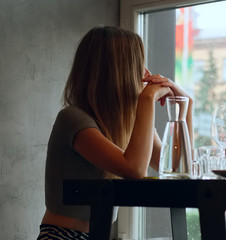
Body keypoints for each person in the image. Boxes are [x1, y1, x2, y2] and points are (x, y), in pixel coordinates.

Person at [37, 26, 193, 240]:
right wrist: (146, 100)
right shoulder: (72, 119)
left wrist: (185, 108)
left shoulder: (126, 124)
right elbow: (135, 169)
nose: (147, 73)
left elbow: (176, 166)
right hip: (63, 236)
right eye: (139, 64)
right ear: (120, 71)